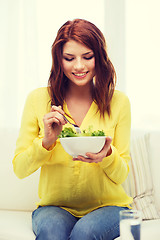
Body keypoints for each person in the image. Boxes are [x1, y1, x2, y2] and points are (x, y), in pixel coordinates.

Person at [13, 19, 133, 240]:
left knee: (84, 233)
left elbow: (123, 172)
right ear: (59, 60)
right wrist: (46, 142)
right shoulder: (38, 100)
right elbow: (20, 168)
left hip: (110, 206)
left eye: (88, 57)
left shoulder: (119, 102)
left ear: (100, 57)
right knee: (51, 233)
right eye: (70, 58)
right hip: (55, 207)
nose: (79, 66)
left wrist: (106, 155)